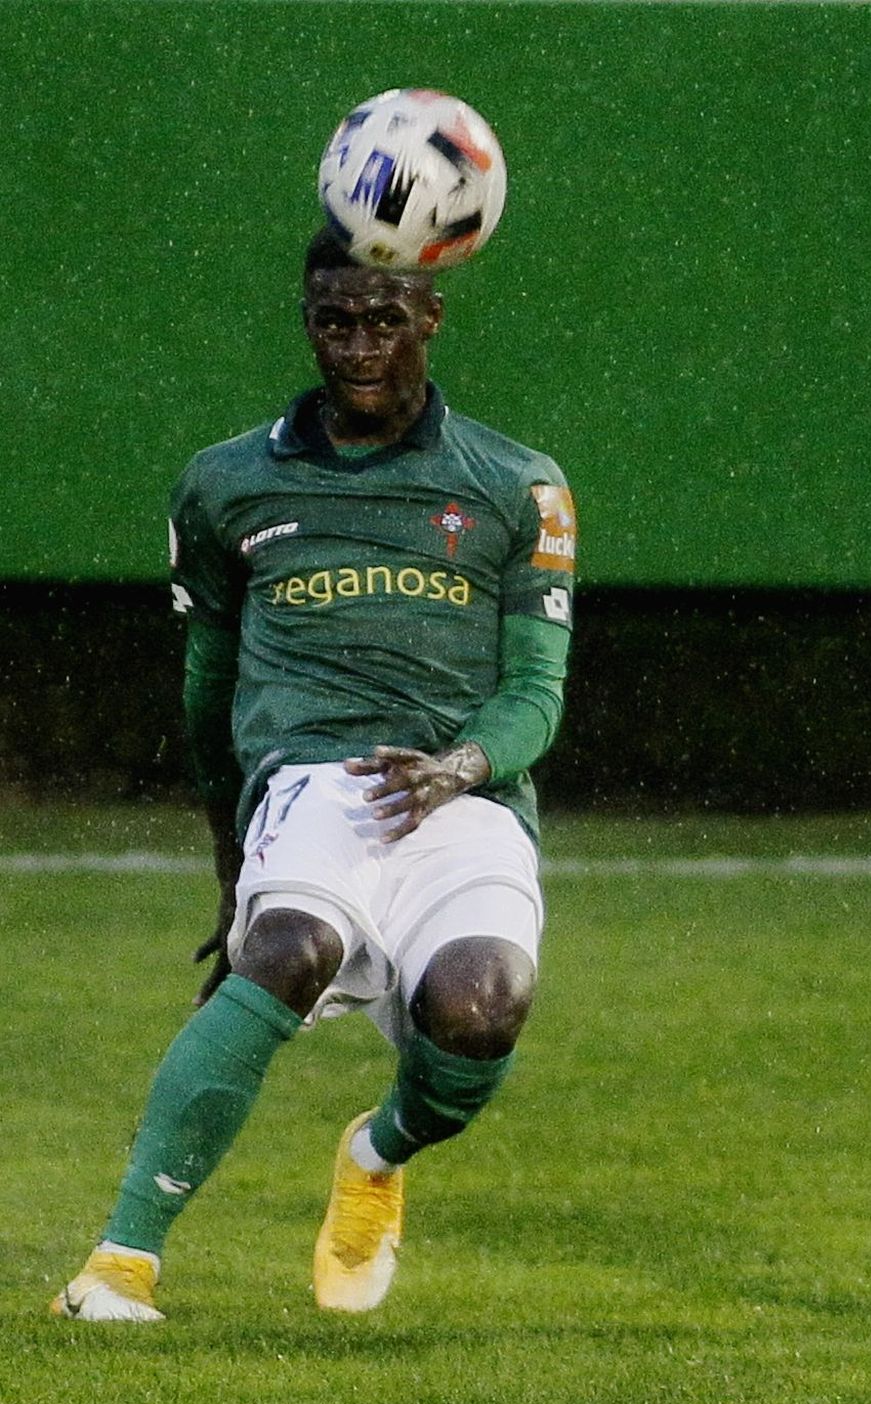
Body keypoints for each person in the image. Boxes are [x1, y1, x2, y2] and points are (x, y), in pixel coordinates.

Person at [53, 230, 576, 1321]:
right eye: (334, 320)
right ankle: (119, 1263)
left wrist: (459, 765)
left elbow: (535, 691)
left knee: (481, 1010)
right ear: (308, 321)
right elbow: (209, 689)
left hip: (463, 792)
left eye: (384, 319)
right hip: (312, 784)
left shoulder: (516, 483)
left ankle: (377, 1157)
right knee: (288, 950)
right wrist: (230, 861)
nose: (358, 345)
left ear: (429, 318)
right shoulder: (227, 483)